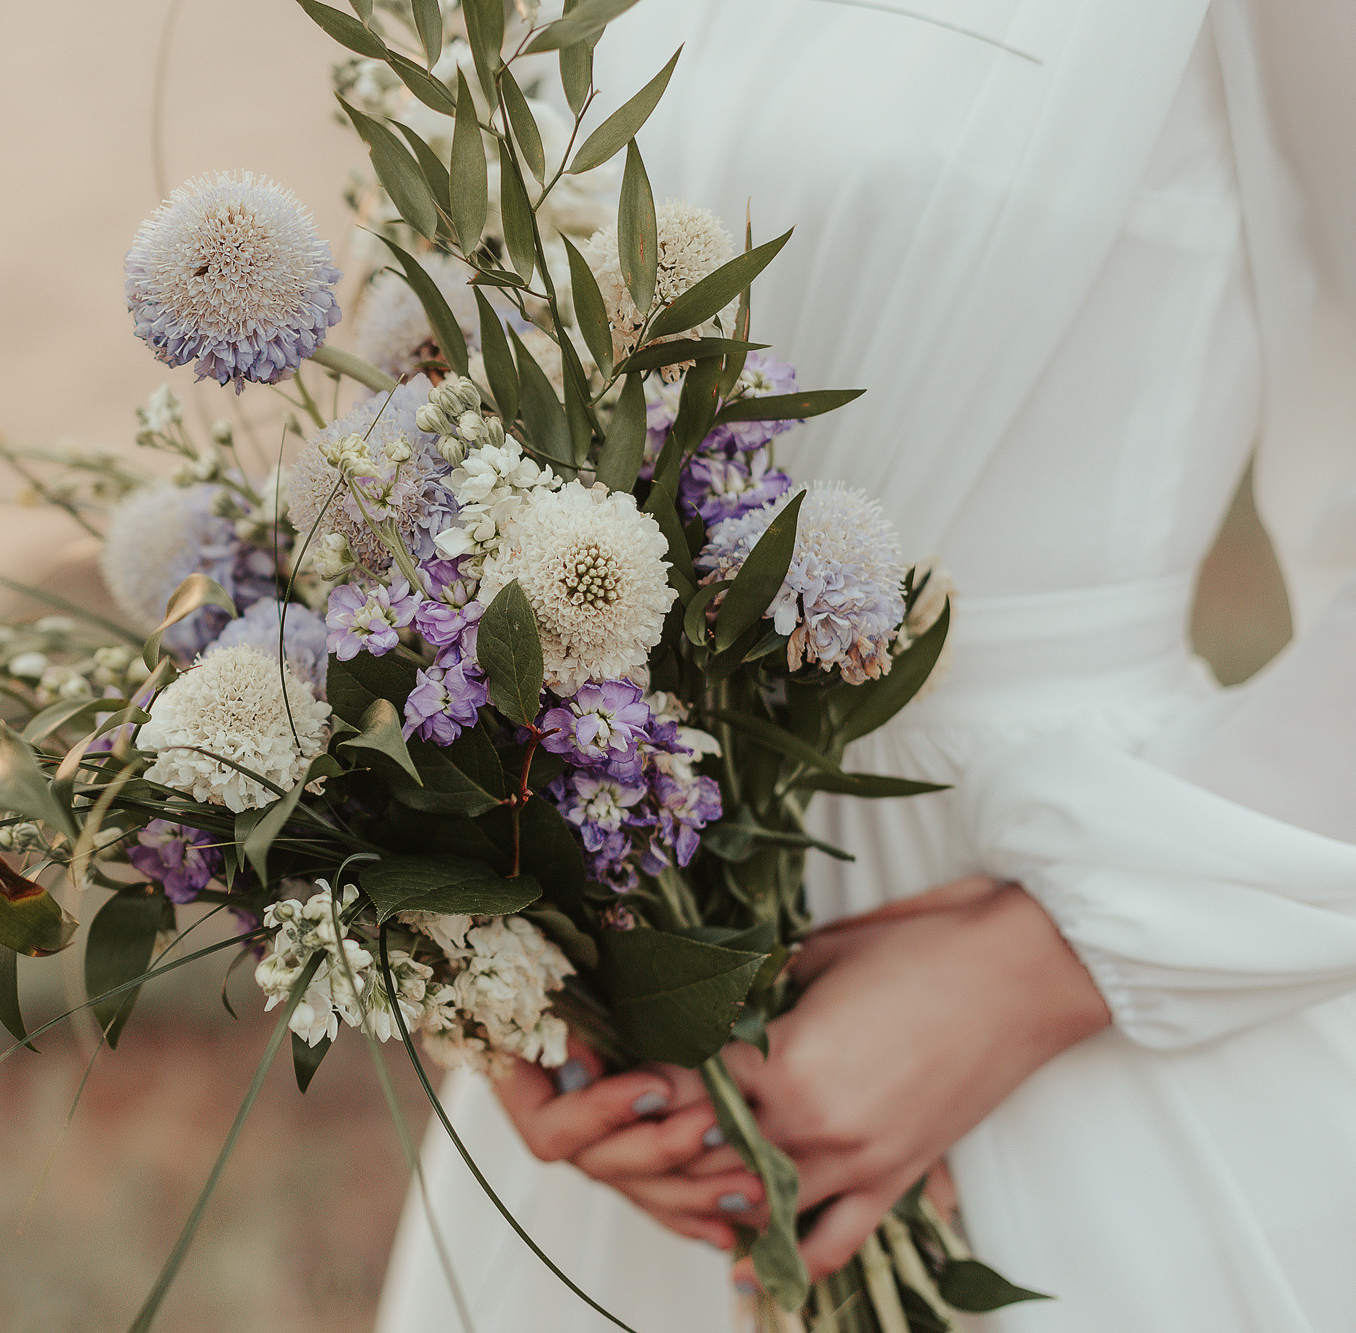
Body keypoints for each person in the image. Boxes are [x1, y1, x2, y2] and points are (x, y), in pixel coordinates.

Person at [375, 0, 1356, 1328]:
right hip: (635, 943)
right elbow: (438, 400)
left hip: (1065, 965)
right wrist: (520, 960)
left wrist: (1043, 964)